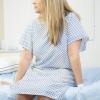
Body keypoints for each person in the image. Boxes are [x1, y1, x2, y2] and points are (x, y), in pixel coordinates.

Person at [10, 0, 89, 100]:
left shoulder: (69, 20)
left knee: (45, 95)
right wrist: (17, 82)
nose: (33, 2)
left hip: (61, 72)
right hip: (39, 72)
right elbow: (25, 57)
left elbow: (73, 55)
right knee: (21, 95)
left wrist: (80, 85)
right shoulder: (32, 26)